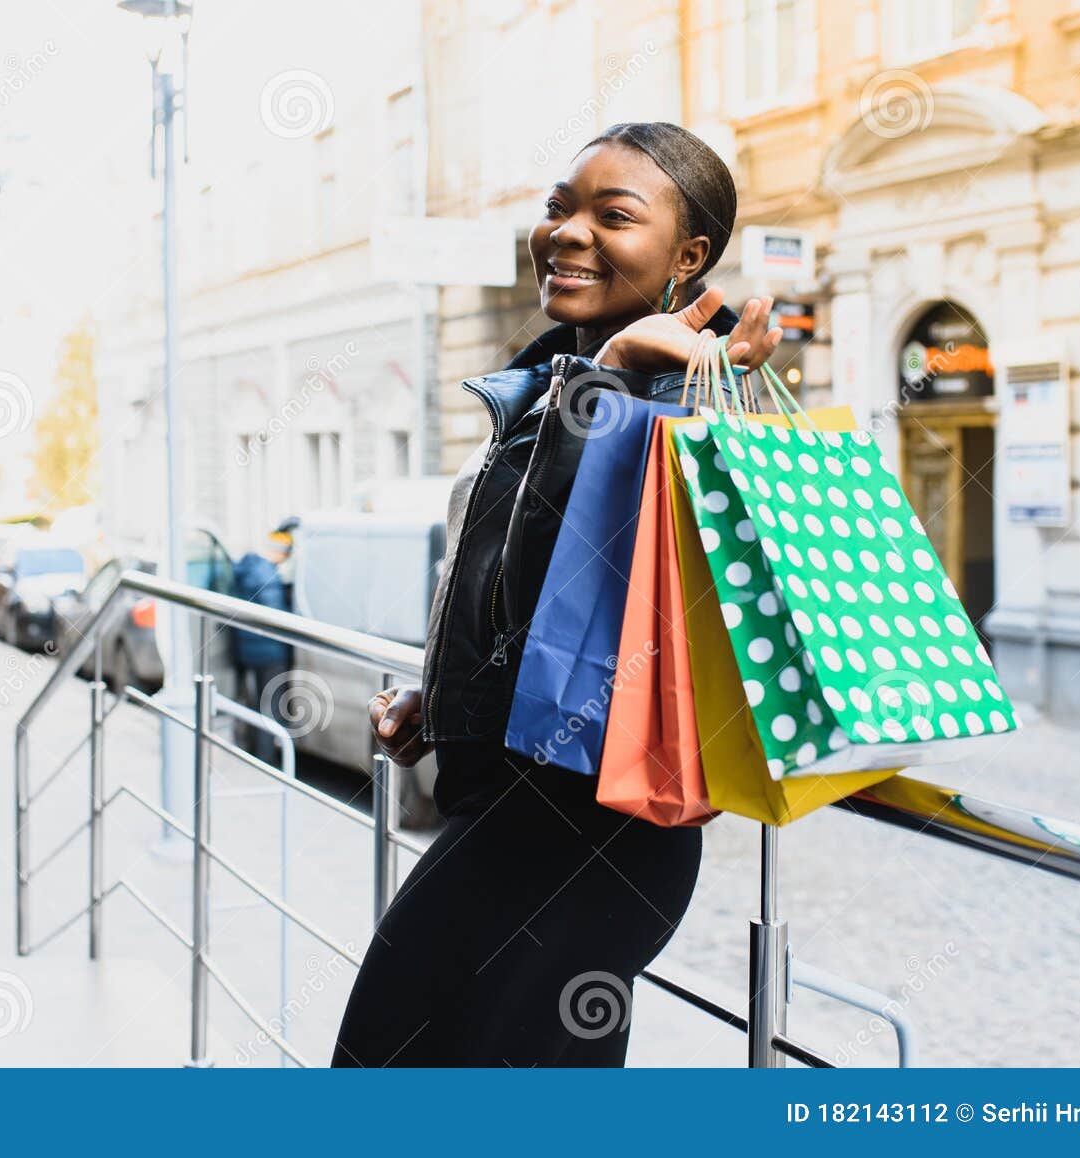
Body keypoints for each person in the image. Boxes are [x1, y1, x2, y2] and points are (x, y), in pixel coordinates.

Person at [331, 122, 783, 1067]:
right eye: (558, 207)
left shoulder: (679, 401)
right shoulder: (547, 381)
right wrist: (446, 693)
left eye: (612, 216)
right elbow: (515, 592)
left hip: (591, 823)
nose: (568, 232)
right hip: (503, 803)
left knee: (387, 1058)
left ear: (688, 256)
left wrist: (618, 377)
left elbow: (583, 577)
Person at [230, 520, 296, 764]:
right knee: (272, 704)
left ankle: (251, 750)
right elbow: (276, 613)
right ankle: (266, 758)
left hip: (247, 648)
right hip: (270, 651)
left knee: (256, 702)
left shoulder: (248, 567)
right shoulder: (268, 574)